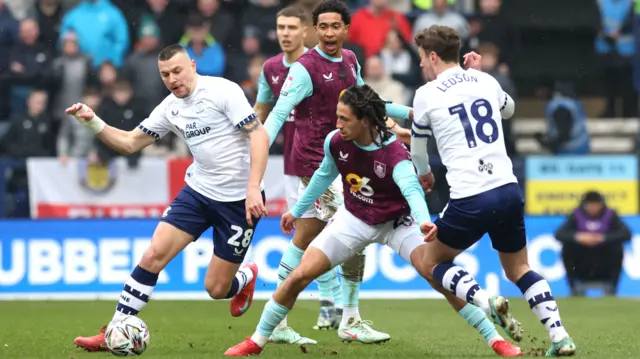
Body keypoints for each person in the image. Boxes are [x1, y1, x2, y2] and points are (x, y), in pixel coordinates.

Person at [224, 85, 523, 357]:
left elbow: (412, 191)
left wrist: (422, 222)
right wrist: (297, 210)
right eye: (337, 117)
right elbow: (323, 176)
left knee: (436, 276)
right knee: (300, 275)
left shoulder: (395, 155)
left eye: (344, 119)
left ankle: (495, 339)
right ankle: (257, 341)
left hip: (397, 224)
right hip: (353, 218)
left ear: (365, 121)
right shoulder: (335, 141)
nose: (337, 124)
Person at [70, 44, 270, 352]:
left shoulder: (222, 91)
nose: (172, 79)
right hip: (198, 192)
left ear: (192, 65)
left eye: (177, 71)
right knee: (153, 254)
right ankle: (114, 329)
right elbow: (129, 143)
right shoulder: (169, 108)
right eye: (165, 74)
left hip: (238, 202)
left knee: (217, 289)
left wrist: (253, 187)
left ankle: (245, 276)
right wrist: (92, 120)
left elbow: (259, 135)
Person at [409, 25, 576, 357]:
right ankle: (561, 338)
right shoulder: (486, 79)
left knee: (432, 263)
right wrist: (480, 77)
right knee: (519, 269)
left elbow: (417, 151)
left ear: (431, 56)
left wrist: (425, 175)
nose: (420, 67)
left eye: (421, 60)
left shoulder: (426, 93)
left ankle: (486, 299)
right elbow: (509, 110)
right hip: (508, 189)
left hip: (470, 195)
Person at [260, 0, 416, 343]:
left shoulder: (349, 60)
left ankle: (287, 324)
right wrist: (255, 164)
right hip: (315, 165)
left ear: (346, 29)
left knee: (304, 238)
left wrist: (411, 114)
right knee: (353, 232)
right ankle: (348, 319)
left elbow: (369, 104)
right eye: (323, 26)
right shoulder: (303, 69)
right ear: (315, 30)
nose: (329, 32)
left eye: (336, 26)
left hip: (345, 164)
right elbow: (276, 114)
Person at [253, 6, 322, 344]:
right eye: (280, 27)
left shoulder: (319, 62)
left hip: (332, 161)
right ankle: (336, 308)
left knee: (319, 234)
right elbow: (261, 112)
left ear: (307, 31)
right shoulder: (270, 68)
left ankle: (334, 307)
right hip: (299, 165)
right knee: (313, 234)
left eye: (292, 27)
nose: (285, 33)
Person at [555, 190, 631, 296]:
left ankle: (612, 287)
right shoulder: (577, 215)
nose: (593, 208)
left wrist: (602, 238)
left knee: (618, 247)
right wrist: (579, 237)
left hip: (604, 260)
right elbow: (559, 234)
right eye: (590, 205)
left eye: (596, 205)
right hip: (582, 261)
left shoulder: (610, 215)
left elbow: (626, 234)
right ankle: (573, 288)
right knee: (567, 247)